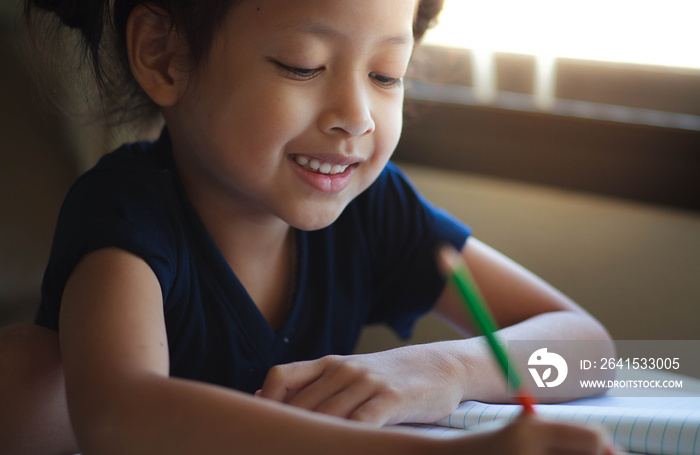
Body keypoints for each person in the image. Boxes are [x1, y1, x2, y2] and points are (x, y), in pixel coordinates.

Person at [0, 0, 616, 454]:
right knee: (27, 371)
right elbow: (121, 419)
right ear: (165, 56)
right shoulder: (126, 212)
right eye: (302, 66)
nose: (355, 117)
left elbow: (590, 349)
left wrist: (439, 371)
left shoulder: (371, 210)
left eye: (385, 75)